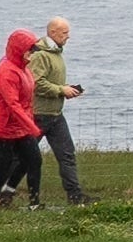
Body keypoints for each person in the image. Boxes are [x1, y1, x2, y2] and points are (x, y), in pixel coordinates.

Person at [0, 29, 48, 209]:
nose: (32, 54)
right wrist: (33, 127)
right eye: (30, 50)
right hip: (4, 127)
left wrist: (28, 123)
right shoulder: (7, 72)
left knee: (34, 160)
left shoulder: (23, 69)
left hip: (20, 126)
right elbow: (13, 104)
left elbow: (26, 102)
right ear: (19, 49)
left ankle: (34, 203)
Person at [25, 19, 87, 206]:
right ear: (52, 32)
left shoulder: (56, 53)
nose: (68, 36)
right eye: (64, 33)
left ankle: (75, 195)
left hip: (55, 114)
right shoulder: (41, 55)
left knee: (67, 154)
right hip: (39, 114)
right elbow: (35, 83)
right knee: (23, 157)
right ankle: (3, 191)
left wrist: (66, 89)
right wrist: (61, 90)